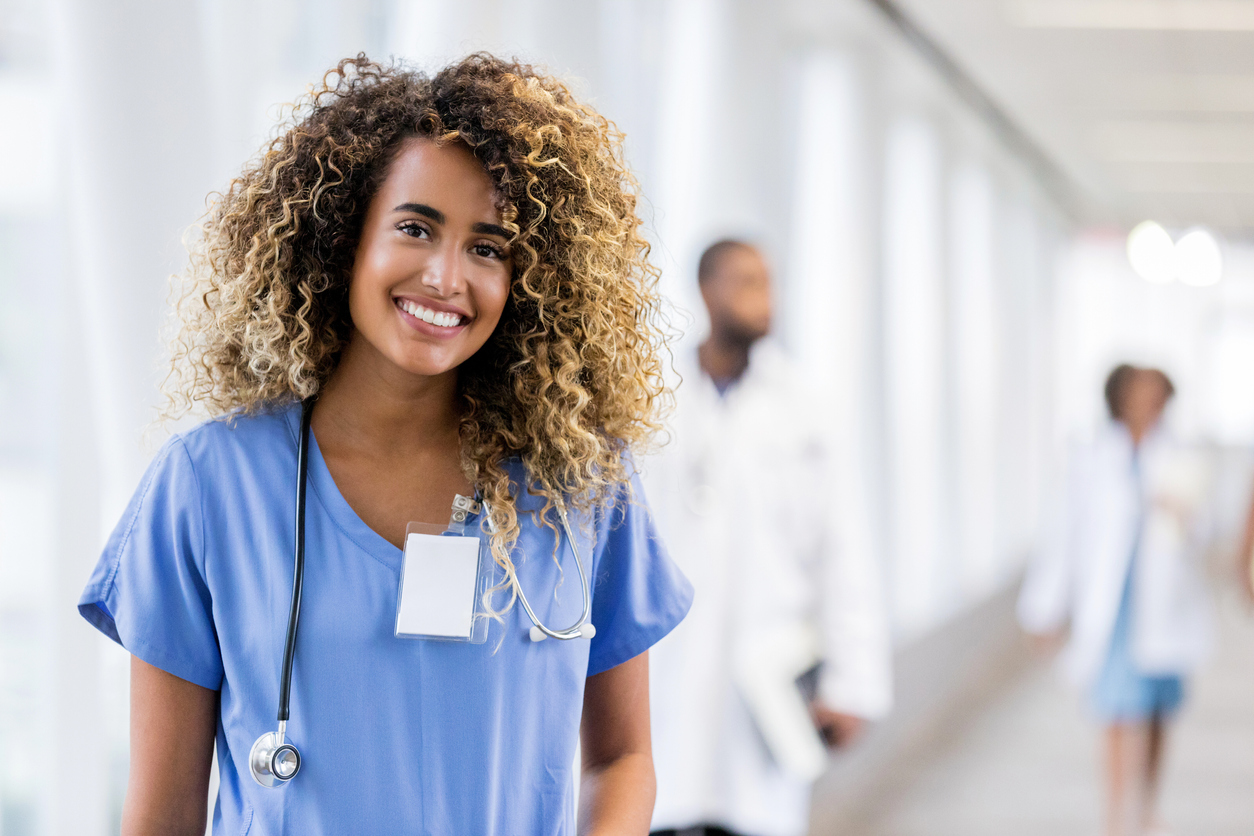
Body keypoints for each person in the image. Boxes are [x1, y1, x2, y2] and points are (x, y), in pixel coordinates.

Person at [77, 54, 693, 835]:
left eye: (488, 247)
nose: (445, 276)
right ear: (343, 239)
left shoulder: (581, 483)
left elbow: (621, 760)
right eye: (414, 228)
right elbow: (162, 816)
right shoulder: (207, 485)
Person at [644, 240, 893, 836]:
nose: (765, 299)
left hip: (764, 676)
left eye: (769, 284)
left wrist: (852, 683)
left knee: (753, 812)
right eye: (747, 283)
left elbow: (844, 553)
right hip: (664, 670)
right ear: (707, 291)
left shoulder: (807, 408)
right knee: (661, 803)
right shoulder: (653, 398)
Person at [1018, 364, 1212, 836]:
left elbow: (1204, 534)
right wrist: (1045, 609)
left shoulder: (1181, 456)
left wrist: (1181, 515)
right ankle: (1117, 818)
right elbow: (1065, 535)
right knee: (1116, 712)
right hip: (1114, 606)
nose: (1152, 406)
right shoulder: (1093, 458)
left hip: (1164, 606)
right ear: (1121, 399)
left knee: (1157, 713)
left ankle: (1148, 804)